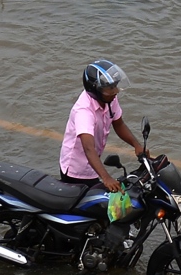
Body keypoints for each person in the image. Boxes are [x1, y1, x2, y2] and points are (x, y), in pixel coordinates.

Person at [59, 59, 147, 193]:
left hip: (93, 165)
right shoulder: (84, 111)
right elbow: (88, 148)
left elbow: (119, 124)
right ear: (96, 90)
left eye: (115, 86)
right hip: (76, 170)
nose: (116, 91)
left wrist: (137, 145)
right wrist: (106, 178)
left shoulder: (109, 98)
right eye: (111, 88)